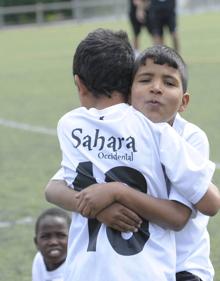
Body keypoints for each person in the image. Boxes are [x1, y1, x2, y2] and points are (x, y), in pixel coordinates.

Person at [45, 28, 216, 281]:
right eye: (145, 80)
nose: (156, 89)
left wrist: (118, 192)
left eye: (168, 83)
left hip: (184, 263)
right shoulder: (112, 131)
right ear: (129, 90)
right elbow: (53, 189)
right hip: (140, 264)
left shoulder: (186, 136)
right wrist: (98, 209)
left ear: (184, 102)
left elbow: (183, 215)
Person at [32, 207, 71, 281]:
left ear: (72, 239)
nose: (53, 242)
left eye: (61, 235)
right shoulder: (39, 259)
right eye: (46, 236)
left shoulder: (76, 270)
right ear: (36, 242)